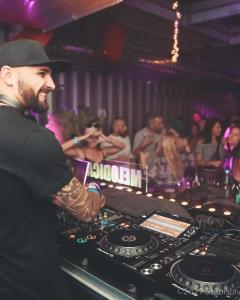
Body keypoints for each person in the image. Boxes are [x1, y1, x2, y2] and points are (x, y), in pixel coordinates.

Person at [0, 39, 105, 300]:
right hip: (30, 284)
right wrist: (94, 187)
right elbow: (86, 210)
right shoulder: (31, 138)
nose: (52, 84)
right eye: (41, 73)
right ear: (7, 75)